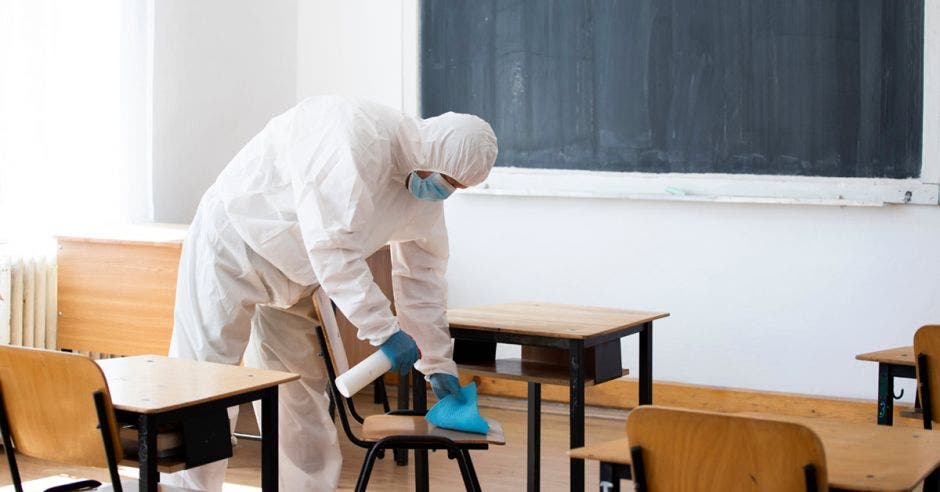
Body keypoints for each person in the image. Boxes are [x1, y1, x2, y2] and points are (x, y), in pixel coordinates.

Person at [163, 95, 498, 491]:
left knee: (300, 394)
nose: (444, 192)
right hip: (234, 245)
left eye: (456, 188)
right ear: (433, 151)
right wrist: (385, 331)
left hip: (297, 275)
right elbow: (332, 249)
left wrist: (439, 364)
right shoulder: (356, 138)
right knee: (206, 383)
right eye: (447, 180)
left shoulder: (422, 196)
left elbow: (422, 279)